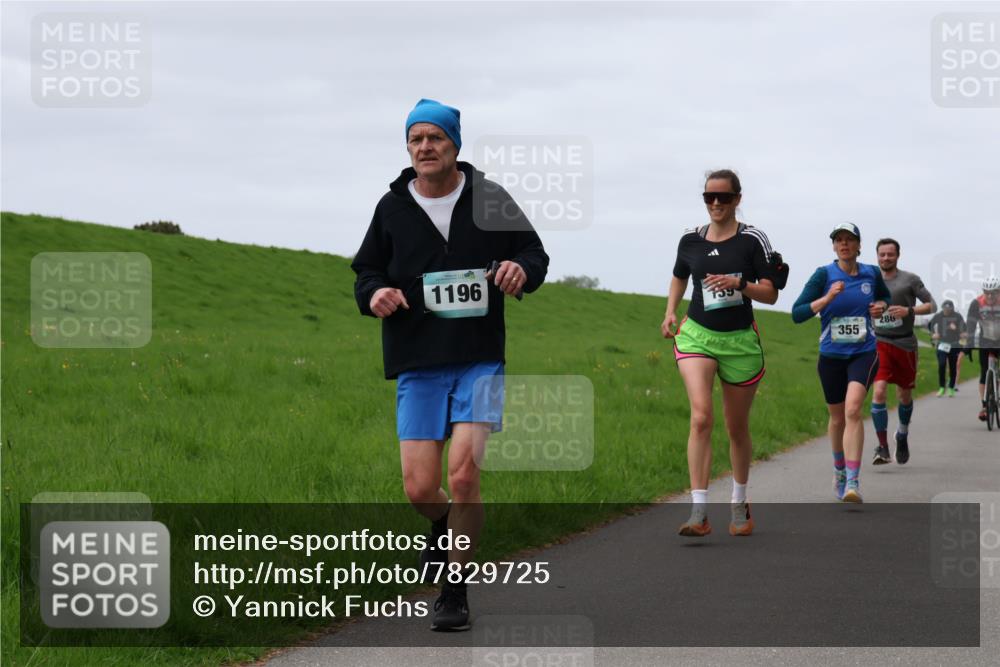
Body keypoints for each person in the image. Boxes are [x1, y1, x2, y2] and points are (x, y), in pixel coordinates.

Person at [352, 99, 549, 631]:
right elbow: (366, 271)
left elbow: (535, 255)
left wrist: (518, 270)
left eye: (435, 138)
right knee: (420, 488)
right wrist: (374, 295)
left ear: (455, 146)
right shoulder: (391, 208)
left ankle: (453, 589)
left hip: (478, 358)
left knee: (463, 476)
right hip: (417, 359)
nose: (425, 147)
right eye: (415, 139)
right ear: (408, 148)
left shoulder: (489, 198)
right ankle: (442, 526)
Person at [661, 169, 780, 537]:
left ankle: (739, 500)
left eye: (723, 198)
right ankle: (698, 510)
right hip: (697, 335)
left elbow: (771, 293)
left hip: (740, 341)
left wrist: (740, 284)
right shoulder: (690, 239)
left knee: (736, 427)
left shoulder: (753, 239)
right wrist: (670, 311)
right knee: (700, 418)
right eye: (709, 197)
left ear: (737, 200)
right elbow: (680, 274)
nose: (715, 204)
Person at [792, 223, 890, 503]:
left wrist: (881, 306)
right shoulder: (823, 275)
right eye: (839, 240)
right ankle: (838, 471)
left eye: (850, 240)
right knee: (836, 419)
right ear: (834, 247)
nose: (844, 244)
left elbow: (885, 296)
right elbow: (797, 314)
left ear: (859, 246)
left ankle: (853, 482)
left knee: (853, 410)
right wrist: (827, 298)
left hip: (864, 353)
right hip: (831, 357)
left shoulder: (871, 273)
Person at [869, 238, 935, 465]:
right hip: (879, 341)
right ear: (877, 256)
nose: (886, 258)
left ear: (898, 256)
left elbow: (931, 305)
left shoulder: (910, 280)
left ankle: (902, 434)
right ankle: (882, 447)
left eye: (890, 254)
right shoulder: (869, 279)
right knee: (878, 392)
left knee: (904, 395)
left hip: (905, 343)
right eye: (882, 254)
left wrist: (908, 310)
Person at [966, 276, 1000, 421]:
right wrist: (969, 343)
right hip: (985, 340)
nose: (990, 295)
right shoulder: (976, 304)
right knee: (984, 372)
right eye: (987, 292)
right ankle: (985, 406)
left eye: (994, 292)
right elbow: (971, 325)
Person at [927, 300, 966, 397]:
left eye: (949, 309)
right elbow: (930, 325)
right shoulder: (939, 316)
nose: (946, 311)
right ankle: (941, 387)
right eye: (945, 309)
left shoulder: (957, 316)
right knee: (942, 364)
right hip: (942, 344)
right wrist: (933, 334)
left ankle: (951, 387)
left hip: (954, 345)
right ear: (942, 308)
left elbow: (964, 330)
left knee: (953, 367)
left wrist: (957, 329)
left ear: (952, 309)